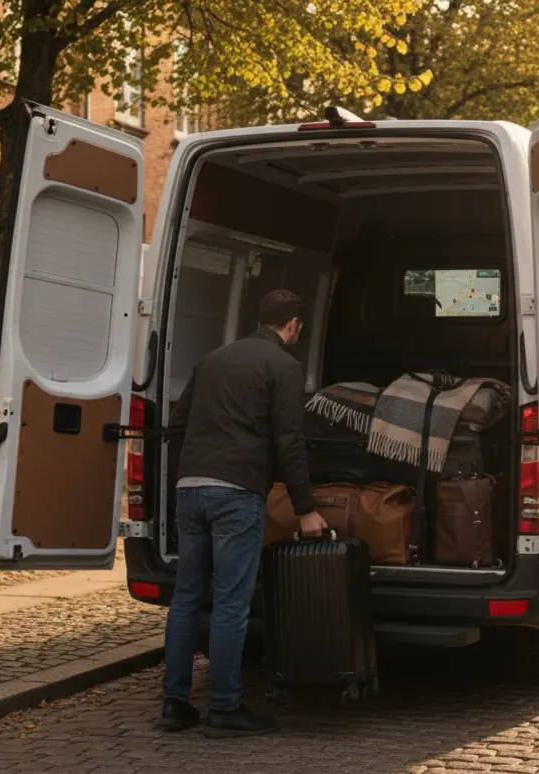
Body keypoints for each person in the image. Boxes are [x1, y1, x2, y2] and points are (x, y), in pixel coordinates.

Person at [158, 289, 328, 738]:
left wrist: (185, 479)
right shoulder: (285, 367)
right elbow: (289, 442)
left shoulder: (212, 359)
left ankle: (174, 705)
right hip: (236, 494)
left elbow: (176, 427)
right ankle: (224, 707)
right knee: (232, 602)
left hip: (190, 489)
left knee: (187, 598)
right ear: (293, 325)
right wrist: (305, 509)